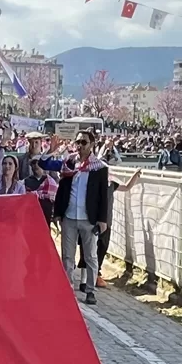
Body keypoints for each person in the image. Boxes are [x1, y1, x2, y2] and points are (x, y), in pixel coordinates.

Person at [53, 130, 109, 306]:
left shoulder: (99, 168)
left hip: (88, 218)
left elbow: (103, 196)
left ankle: (90, 290)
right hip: (70, 216)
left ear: (92, 145)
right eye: (77, 142)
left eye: (83, 142)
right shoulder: (70, 163)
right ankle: (67, 289)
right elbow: (62, 189)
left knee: (91, 256)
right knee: (67, 256)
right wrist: (58, 212)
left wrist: (102, 219)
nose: (80, 146)